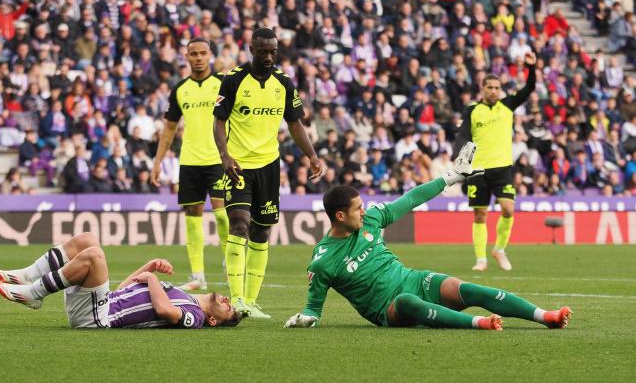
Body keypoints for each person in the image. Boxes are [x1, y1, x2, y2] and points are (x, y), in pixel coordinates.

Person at [285, 143, 572, 330]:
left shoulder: (372, 219)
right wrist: (304, 319)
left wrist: (451, 177)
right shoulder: (323, 261)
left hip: (413, 278)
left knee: (467, 288)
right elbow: (313, 309)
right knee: (410, 302)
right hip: (389, 308)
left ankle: (544, 316)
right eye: (357, 209)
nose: (364, 212)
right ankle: (479, 323)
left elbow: (410, 199)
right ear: (339, 217)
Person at [213, 28, 323, 318]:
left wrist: (311, 156)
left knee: (261, 231)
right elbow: (219, 122)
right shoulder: (234, 79)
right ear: (251, 48)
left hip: (269, 165)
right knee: (239, 225)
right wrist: (225, 156)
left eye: (273, 51)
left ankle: (251, 302)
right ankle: (236, 299)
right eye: (263, 51)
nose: (269, 56)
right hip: (238, 166)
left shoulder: (283, 82)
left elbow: (295, 123)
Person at [0, 232, 243, 329]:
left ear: (213, 319)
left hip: (99, 319)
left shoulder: (196, 317)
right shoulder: (180, 292)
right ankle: (28, 275)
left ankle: (35, 294)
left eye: (227, 306)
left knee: (94, 256)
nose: (226, 299)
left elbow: (165, 310)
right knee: (88, 239)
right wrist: (149, 267)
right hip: (103, 303)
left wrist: (152, 279)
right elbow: (125, 289)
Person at [151, 38, 229, 292]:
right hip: (190, 161)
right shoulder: (180, 89)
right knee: (193, 218)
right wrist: (158, 162)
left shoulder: (223, 85)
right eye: (193, 53)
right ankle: (198, 275)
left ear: (210, 55)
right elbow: (169, 128)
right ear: (186, 57)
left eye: (203, 53)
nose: (198, 57)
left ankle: (232, 267)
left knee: (223, 216)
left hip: (218, 160)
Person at [453, 52, 538, 271]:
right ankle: (480, 259)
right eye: (489, 87)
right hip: (478, 169)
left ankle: (499, 249)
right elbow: (463, 135)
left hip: (502, 168)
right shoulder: (472, 110)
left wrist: (531, 67)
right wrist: (459, 158)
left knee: (508, 209)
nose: (494, 91)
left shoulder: (508, 105)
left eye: (497, 87)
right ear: (482, 88)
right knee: (480, 214)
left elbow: (528, 89)